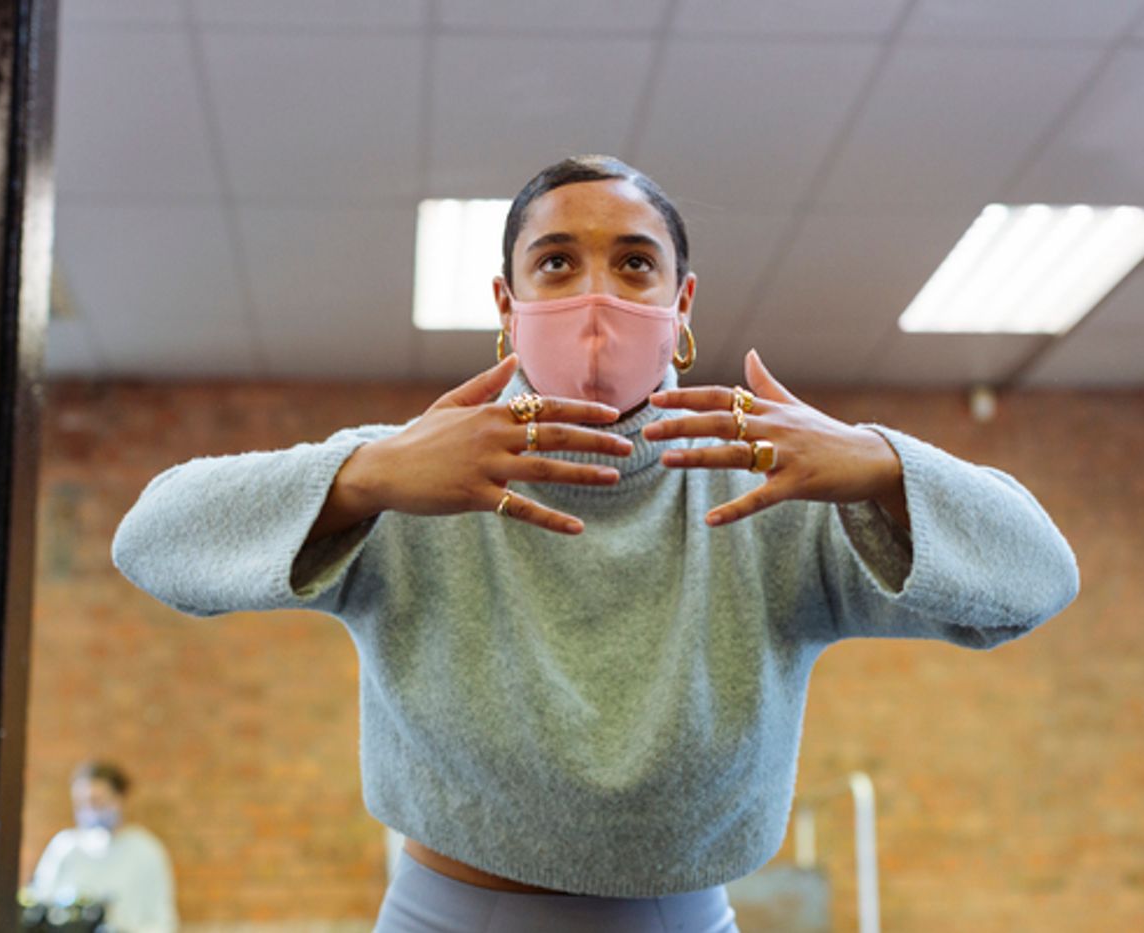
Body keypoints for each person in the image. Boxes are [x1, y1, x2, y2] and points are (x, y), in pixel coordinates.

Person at [111, 155, 1080, 933]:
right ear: (505, 304)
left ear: (680, 303)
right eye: (554, 263)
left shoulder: (776, 484)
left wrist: (876, 462)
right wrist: (361, 476)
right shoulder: (413, 472)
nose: (594, 295)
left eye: (632, 262)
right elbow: (151, 539)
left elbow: (1040, 577)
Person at [27, 760, 179, 933]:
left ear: (119, 799)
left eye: (97, 801)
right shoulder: (65, 846)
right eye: (82, 803)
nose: (89, 810)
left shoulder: (146, 850)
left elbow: (162, 921)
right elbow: (39, 902)